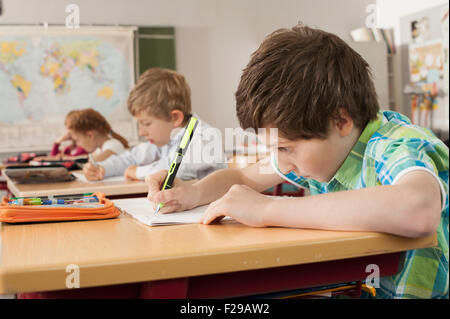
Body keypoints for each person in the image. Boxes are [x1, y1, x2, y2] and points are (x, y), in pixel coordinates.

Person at [146, 24, 448, 299]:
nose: (279, 160)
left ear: (339, 119)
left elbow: (417, 208)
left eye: (285, 148)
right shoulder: (319, 150)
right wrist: (193, 192)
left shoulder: (395, 144)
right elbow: (245, 178)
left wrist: (267, 208)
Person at [83, 67, 226, 181]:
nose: (141, 132)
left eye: (146, 123)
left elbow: (177, 169)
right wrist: (102, 168)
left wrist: (137, 172)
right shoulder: (164, 139)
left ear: (175, 118)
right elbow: (131, 158)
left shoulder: (205, 136)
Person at [64, 108, 129, 162]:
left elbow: (90, 162)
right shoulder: (100, 149)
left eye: (77, 140)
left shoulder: (113, 146)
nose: (78, 144)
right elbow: (88, 158)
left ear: (90, 135)